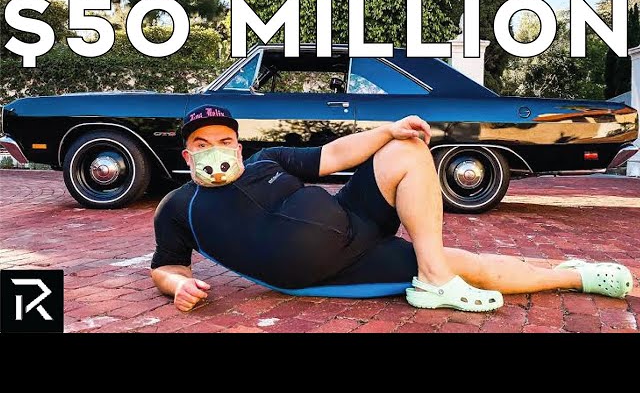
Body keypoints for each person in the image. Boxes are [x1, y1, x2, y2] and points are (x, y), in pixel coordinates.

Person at [150, 105, 634, 312]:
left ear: (237, 146)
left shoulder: (266, 160)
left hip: (354, 217)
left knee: (407, 147)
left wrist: (387, 130)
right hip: (330, 268)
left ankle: (434, 275)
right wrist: (177, 286)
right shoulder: (178, 206)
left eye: (224, 140)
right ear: (188, 156)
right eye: (202, 144)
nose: (215, 150)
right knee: (472, 265)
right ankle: (578, 276)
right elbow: (166, 266)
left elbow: (335, 155)